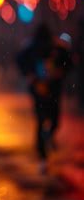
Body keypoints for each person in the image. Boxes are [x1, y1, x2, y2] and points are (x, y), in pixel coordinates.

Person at [16, 23, 71, 170]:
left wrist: (60, 71)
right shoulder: (50, 47)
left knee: (47, 119)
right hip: (42, 89)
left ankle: (44, 148)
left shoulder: (47, 47)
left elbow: (69, 63)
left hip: (48, 88)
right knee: (45, 119)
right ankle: (42, 154)